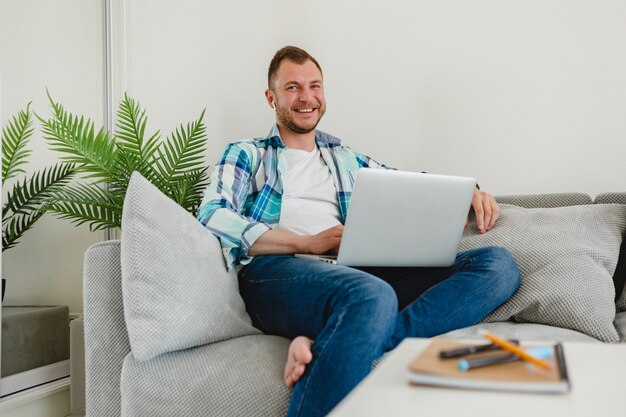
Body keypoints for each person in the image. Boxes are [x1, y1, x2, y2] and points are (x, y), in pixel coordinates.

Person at [197, 46, 521, 417]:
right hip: (278, 272)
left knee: (498, 265)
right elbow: (211, 213)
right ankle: (362, 326)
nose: (307, 97)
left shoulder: (346, 158)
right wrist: (305, 242)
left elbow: (411, 186)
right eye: (292, 88)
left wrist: (470, 193)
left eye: (314, 86)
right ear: (271, 98)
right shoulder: (246, 154)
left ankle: (345, 339)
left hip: (355, 270)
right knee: (372, 294)